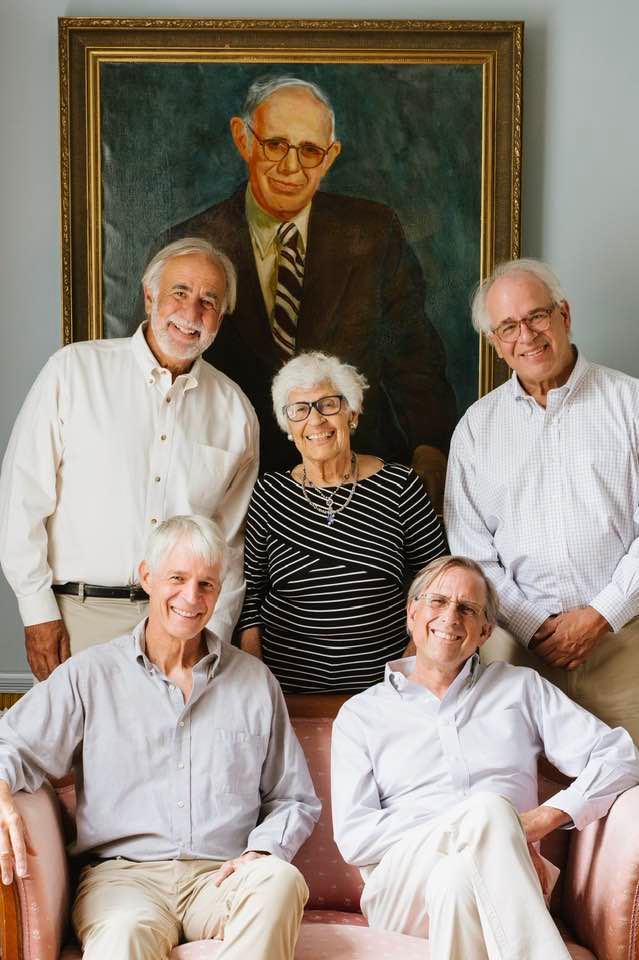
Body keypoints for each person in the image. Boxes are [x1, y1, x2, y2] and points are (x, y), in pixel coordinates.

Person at [0, 515, 319, 960]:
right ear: (147, 577)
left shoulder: (254, 681)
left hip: (221, 877)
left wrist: (264, 851)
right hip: (122, 880)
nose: (191, 598)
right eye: (177, 579)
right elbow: (12, 743)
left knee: (280, 880)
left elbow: (293, 797)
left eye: (206, 585)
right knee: (122, 934)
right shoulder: (91, 675)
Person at [160, 74, 457, 495]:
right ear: (243, 139)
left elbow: (414, 356)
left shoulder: (373, 234)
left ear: (329, 157)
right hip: (232, 484)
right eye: (275, 144)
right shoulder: (189, 245)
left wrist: (430, 449)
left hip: (357, 480)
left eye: (310, 150)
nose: (291, 167)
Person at [331, 555, 639, 959]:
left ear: (485, 631)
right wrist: (488, 824)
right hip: (400, 889)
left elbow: (620, 756)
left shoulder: (520, 689)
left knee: (457, 880)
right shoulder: (361, 714)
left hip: (506, 879)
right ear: (412, 612)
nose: (450, 617)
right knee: (489, 809)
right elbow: (356, 838)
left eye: (467, 608)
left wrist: (546, 817)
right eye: (437, 601)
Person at [0, 238, 259, 679]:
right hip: (78, 618)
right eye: (180, 292)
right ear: (149, 295)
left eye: (208, 301)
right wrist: (37, 611)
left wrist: (213, 635)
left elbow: (230, 546)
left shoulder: (236, 412)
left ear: (221, 316)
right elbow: (21, 499)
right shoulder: (73, 371)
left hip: (182, 626)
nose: (191, 312)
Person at [443, 257, 639, 741]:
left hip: (624, 647)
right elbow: (471, 550)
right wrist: (533, 626)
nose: (526, 336)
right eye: (508, 327)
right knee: (518, 786)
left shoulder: (630, 404)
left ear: (563, 315)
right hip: (516, 657)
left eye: (536, 316)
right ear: (495, 343)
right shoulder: (476, 429)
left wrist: (601, 614)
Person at [237, 351, 447, 693]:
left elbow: (438, 583)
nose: (315, 420)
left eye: (328, 404)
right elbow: (250, 599)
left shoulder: (399, 486)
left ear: (352, 413)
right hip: (287, 692)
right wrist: (257, 681)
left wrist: (412, 666)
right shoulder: (269, 493)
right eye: (300, 409)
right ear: (288, 426)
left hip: (386, 691)